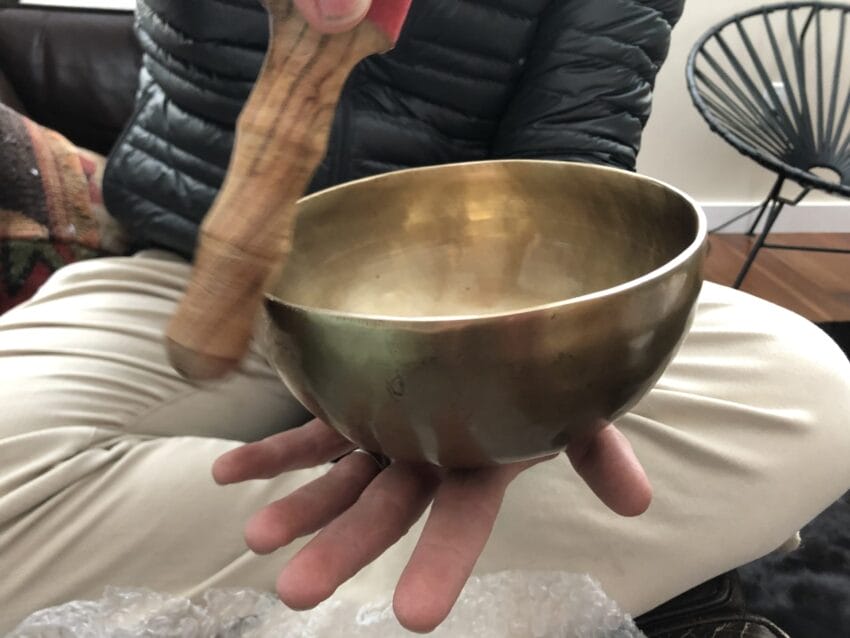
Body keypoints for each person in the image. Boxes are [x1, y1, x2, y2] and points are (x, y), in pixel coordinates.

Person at [1, 0, 849, 633]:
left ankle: (297, 598)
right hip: (188, 265)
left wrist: (520, 371)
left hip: (494, 295)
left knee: (809, 394)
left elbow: (574, 148)